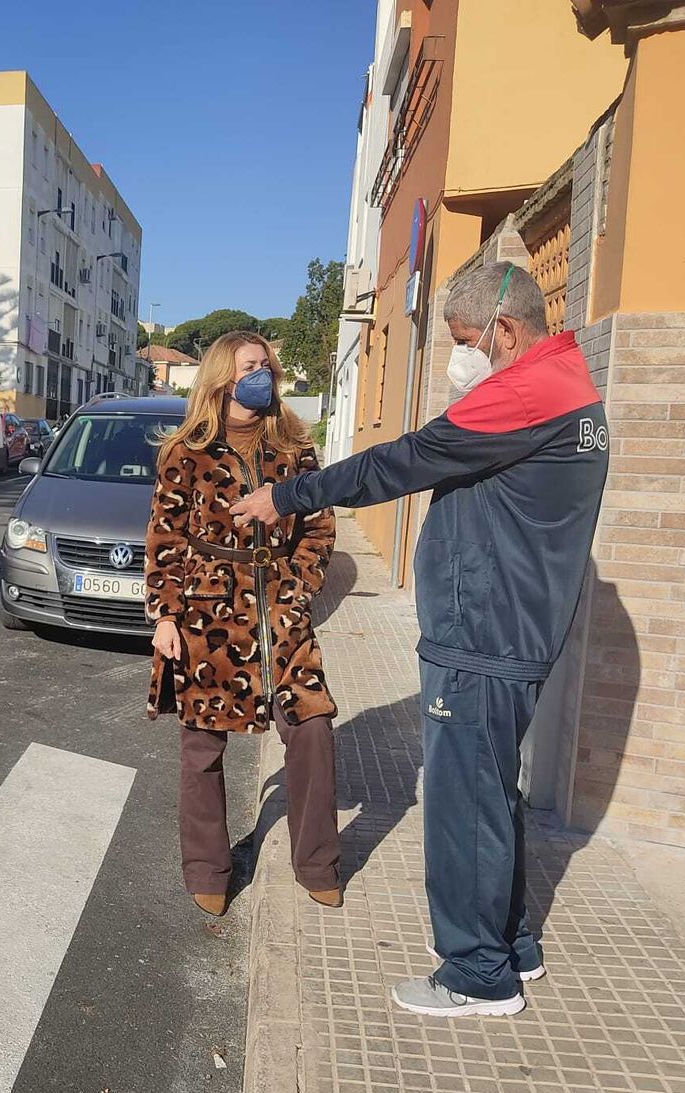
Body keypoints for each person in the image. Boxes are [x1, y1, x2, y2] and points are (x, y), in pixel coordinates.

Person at [228, 262, 610, 1018]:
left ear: (505, 329)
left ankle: (475, 975)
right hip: (512, 629)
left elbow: (400, 461)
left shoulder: (524, 391)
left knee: (465, 800)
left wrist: (287, 496)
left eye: (467, 341)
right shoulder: (569, 381)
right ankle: (510, 946)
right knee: (493, 791)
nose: (463, 358)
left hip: (482, 633)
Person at [144, 331, 342, 917]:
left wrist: (301, 587)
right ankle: (207, 868)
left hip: (280, 608)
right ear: (223, 378)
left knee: (313, 729)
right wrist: (166, 614)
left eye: (268, 366)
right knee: (202, 743)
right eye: (252, 366)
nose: (265, 374)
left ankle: (318, 863)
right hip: (209, 610)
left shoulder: (294, 448)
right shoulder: (187, 451)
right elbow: (165, 538)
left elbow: (320, 526)